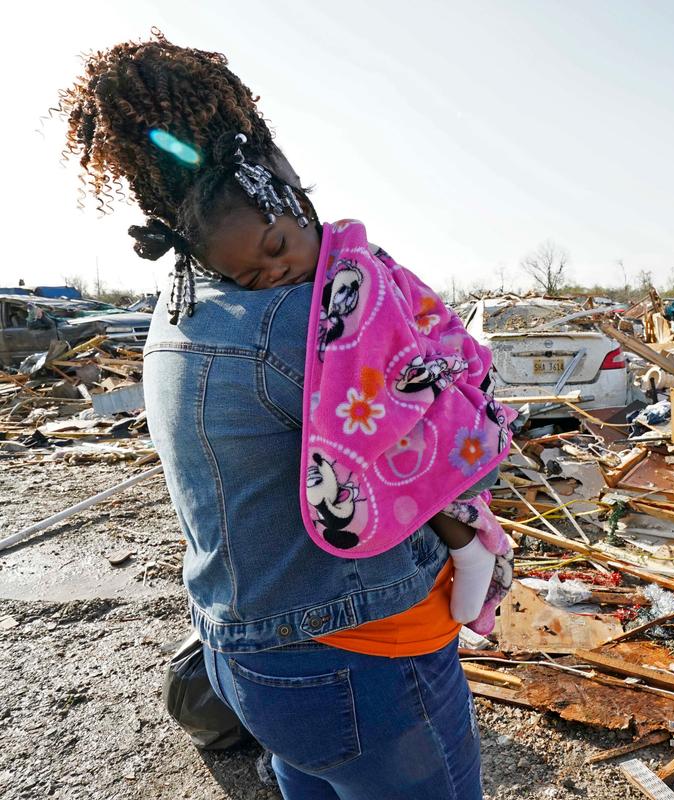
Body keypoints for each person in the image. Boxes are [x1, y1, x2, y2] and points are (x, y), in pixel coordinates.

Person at [59, 32, 486, 799]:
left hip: (246, 656)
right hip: (363, 654)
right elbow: (439, 446)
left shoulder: (179, 307)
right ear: (262, 165)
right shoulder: (310, 317)